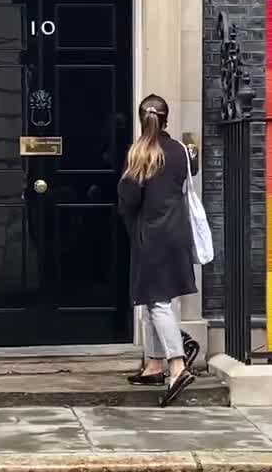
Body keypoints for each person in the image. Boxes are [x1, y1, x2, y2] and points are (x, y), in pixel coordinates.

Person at [117, 93, 199, 407]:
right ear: (167, 119)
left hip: (150, 235)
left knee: (157, 301)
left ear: (142, 119)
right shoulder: (179, 150)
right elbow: (187, 177)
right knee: (153, 300)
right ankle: (154, 364)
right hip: (176, 232)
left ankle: (177, 366)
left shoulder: (139, 152)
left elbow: (129, 198)